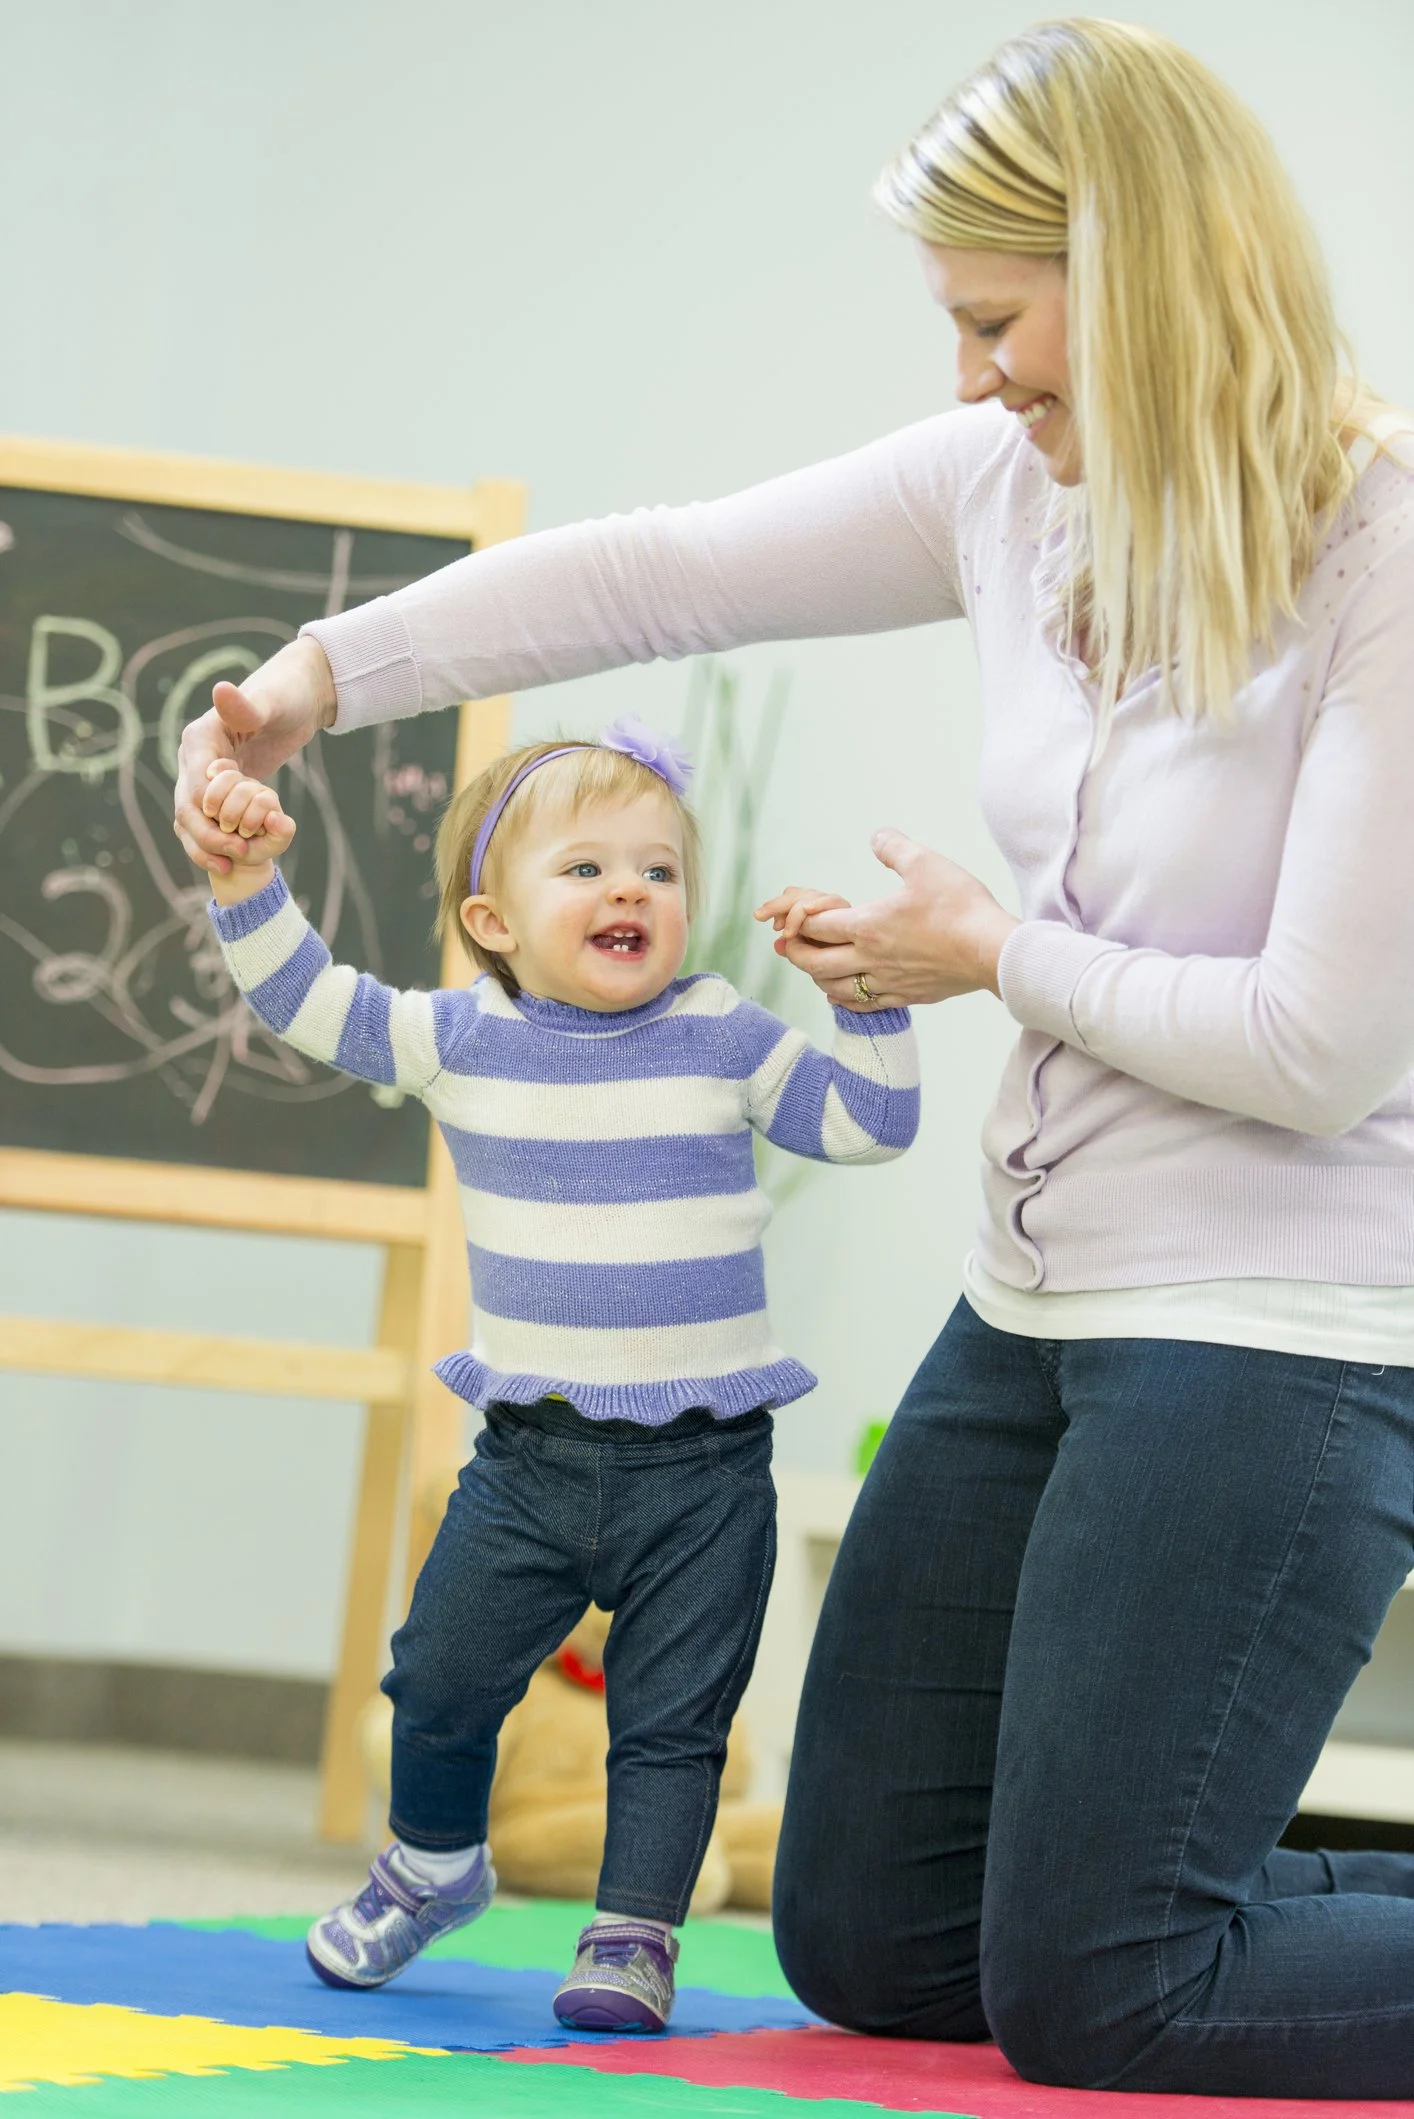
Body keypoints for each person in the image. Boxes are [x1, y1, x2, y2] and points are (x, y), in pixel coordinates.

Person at [175, 16, 1414, 2097]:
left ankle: (1148, 1909)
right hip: (1035, 1311)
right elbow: (660, 568)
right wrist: (319, 678)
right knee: (871, 1937)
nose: (969, 376)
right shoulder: (1005, 498)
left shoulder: (1376, 551)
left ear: (1141, 276)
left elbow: (1309, 1050)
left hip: (1277, 1323)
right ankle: (1148, 1889)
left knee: (1107, 1994)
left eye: (996, 319)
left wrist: (986, 955)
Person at [198, 720, 917, 2033]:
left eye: (655, 868)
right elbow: (307, 1002)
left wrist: (865, 998)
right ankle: (429, 1865)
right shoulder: (458, 1039)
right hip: (527, 1461)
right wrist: (248, 890)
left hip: (704, 1471)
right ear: (494, 918)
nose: (629, 889)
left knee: (671, 1720)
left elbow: (871, 1126)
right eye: (583, 867)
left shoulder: (719, 1031)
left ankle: (633, 1931)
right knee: (437, 1675)